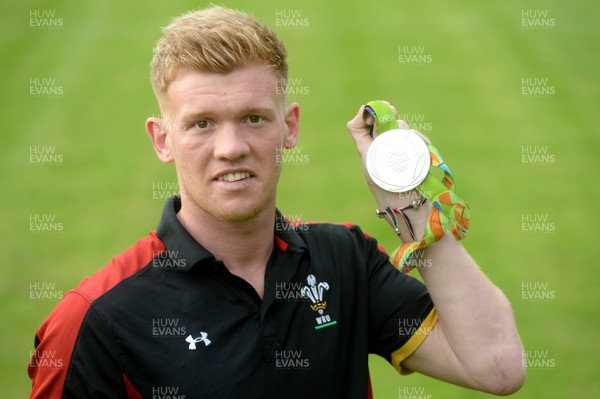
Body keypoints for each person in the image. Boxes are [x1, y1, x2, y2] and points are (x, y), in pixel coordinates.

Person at [28, 6, 525, 398]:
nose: (231, 148)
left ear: (289, 127)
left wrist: (411, 201)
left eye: (253, 118)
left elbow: (497, 366)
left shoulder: (344, 261)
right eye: (202, 123)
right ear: (162, 139)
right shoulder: (95, 318)